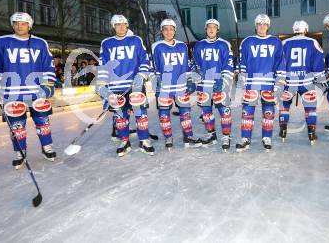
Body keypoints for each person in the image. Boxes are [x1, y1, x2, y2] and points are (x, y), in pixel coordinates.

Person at [0, 12, 57, 169]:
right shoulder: (1, 42)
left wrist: (49, 84)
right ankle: (20, 152)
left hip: (38, 91)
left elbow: (48, 66)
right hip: (12, 92)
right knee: (17, 126)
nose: (19, 26)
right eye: (16, 23)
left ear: (29, 25)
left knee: (43, 122)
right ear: (12, 25)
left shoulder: (40, 43)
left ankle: (47, 147)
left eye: (23, 23)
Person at [95, 14, 154, 157]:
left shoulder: (135, 40)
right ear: (113, 27)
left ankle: (144, 140)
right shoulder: (107, 43)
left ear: (127, 25)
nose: (121, 27)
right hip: (116, 86)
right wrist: (102, 84)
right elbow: (104, 65)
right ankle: (124, 141)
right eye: (117, 25)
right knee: (121, 116)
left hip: (135, 85)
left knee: (141, 115)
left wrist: (141, 75)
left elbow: (145, 61)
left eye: (123, 24)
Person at [236, 14, 286, 152]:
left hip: (269, 83)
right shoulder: (247, 42)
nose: (262, 27)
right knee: (247, 112)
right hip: (251, 82)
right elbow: (242, 62)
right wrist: (241, 76)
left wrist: (279, 83)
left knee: (268, 112)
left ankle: (267, 137)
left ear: (268, 26)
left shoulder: (276, 42)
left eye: (264, 24)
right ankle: (246, 138)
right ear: (255, 26)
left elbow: (280, 64)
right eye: (259, 24)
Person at [151, 19, 202, 150]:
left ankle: (188, 137)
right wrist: (155, 79)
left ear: (175, 31)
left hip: (181, 86)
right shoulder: (157, 46)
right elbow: (153, 66)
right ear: (162, 31)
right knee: (164, 114)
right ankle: (168, 137)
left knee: (185, 113)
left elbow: (186, 64)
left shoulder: (182, 46)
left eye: (171, 29)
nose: (168, 32)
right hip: (165, 87)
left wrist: (190, 78)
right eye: (165, 29)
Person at [278, 20, 326, 145]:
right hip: (306, 82)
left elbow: (279, 62)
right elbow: (318, 62)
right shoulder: (313, 42)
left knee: (284, 106)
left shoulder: (284, 43)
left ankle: (283, 129)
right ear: (305, 29)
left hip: (289, 82)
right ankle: (311, 133)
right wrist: (321, 78)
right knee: (310, 108)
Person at [193, 19, 235, 151]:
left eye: (214, 27)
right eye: (209, 27)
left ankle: (226, 136)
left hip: (219, 83)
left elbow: (229, 64)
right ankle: (211, 135)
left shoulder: (224, 44)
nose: (211, 29)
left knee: (224, 111)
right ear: (205, 29)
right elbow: (194, 64)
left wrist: (224, 80)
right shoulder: (199, 45)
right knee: (206, 112)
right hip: (204, 84)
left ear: (218, 30)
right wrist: (195, 74)